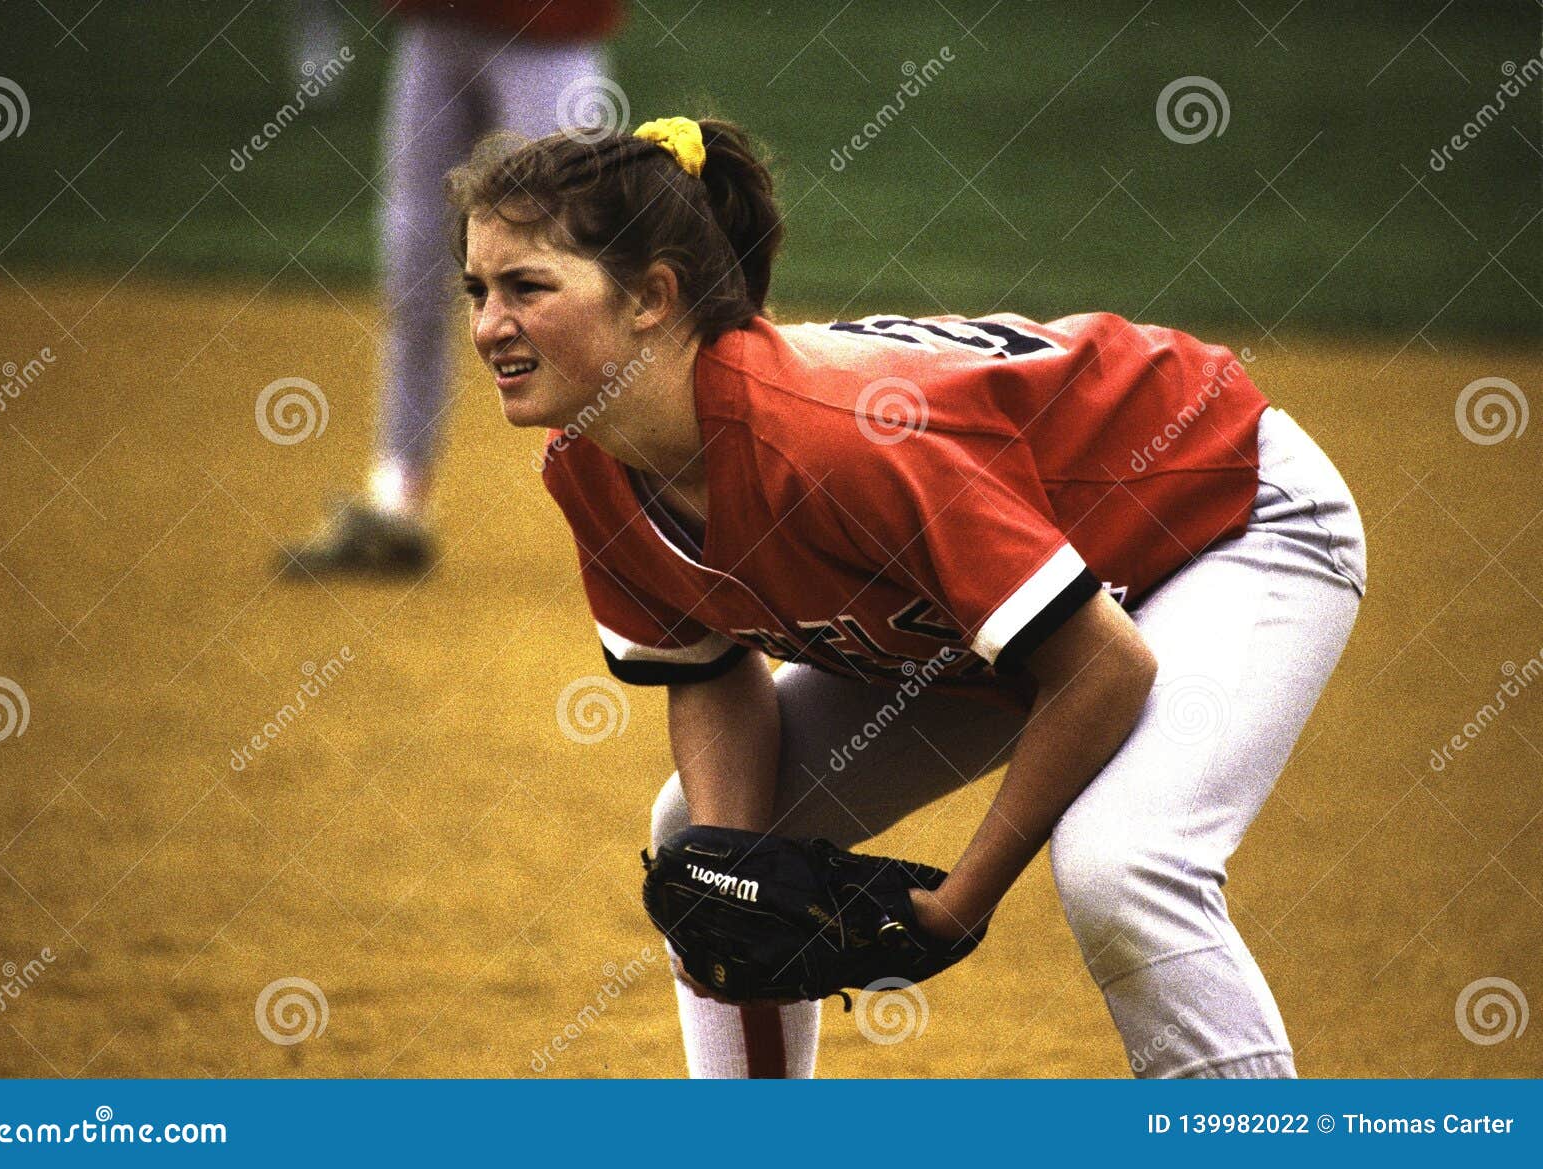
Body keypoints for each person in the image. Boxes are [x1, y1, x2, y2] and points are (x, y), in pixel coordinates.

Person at [446, 116, 1367, 1078]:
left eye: (526, 287)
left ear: (652, 297)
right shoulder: (592, 466)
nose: (488, 325)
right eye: (477, 289)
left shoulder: (832, 440)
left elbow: (1099, 662)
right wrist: (733, 866)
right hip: (1010, 609)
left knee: (1124, 866)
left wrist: (953, 906)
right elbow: (713, 672)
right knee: (703, 845)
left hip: (1218, 513)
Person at [282, 0, 622, 576]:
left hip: (551, 30)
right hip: (436, 27)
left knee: (584, 266)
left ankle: (644, 508)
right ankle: (396, 502)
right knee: (410, 265)